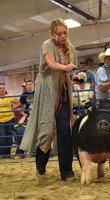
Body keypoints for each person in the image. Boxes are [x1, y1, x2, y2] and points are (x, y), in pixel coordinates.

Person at [20, 18, 79, 181]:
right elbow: (51, 63)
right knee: (46, 131)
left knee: (65, 131)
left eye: (64, 33)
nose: (62, 36)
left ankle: (66, 172)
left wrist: (76, 77)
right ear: (52, 34)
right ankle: (40, 167)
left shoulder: (71, 49)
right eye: (58, 33)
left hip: (64, 94)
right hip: (47, 93)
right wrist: (66, 68)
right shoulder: (47, 45)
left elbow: (71, 72)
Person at [0, 82, 20, 157]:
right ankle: (2, 153)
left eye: (3, 88)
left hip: (10, 119)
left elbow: (18, 103)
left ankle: (8, 153)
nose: (2, 90)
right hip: (0, 120)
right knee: (2, 137)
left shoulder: (9, 96)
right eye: (0, 88)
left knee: (9, 137)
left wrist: (12, 109)